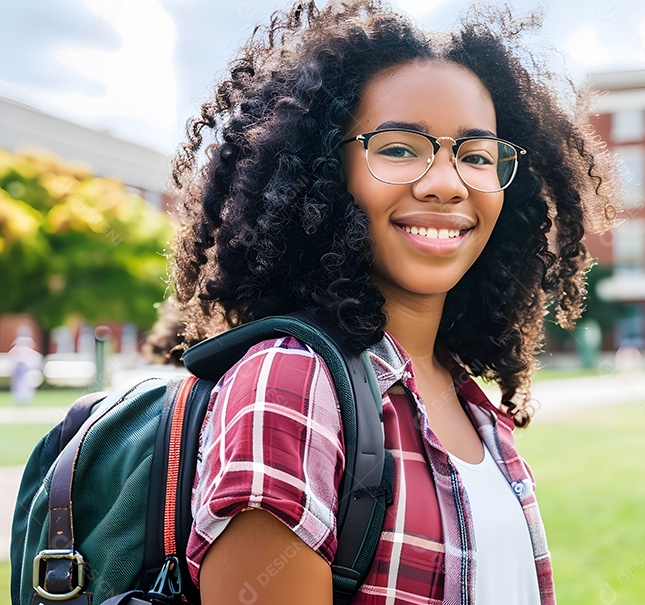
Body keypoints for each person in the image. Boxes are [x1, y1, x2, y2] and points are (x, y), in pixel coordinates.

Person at [167, 2, 619, 603]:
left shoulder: (466, 397)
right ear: (326, 169)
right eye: (401, 149)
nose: (446, 182)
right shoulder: (292, 386)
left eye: (478, 156)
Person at [8, 335, 43, 405]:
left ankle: (25, 400)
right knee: (18, 386)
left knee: (27, 387)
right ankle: (19, 400)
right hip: (18, 373)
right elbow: (11, 359)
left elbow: (37, 360)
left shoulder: (30, 352)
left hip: (27, 373)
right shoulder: (16, 350)